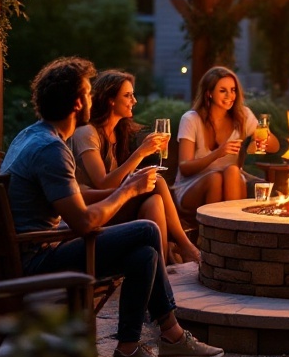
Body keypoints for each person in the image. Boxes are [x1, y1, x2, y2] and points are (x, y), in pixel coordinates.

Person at [0, 57, 224, 357]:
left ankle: (130, 349)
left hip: (33, 248)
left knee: (144, 254)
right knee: (146, 230)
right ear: (79, 102)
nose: (92, 98)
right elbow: (83, 222)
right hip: (37, 259)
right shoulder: (51, 148)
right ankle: (171, 335)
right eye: (89, 92)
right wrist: (126, 191)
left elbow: (71, 199)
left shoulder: (32, 135)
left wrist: (128, 185)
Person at [71, 69, 200, 266]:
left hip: (113, 200)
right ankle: (185, 246)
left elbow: (120, 178)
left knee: (155, 201)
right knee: (156, 180)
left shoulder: (117, 133)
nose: (134, 100)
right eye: (127, 95)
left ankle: (164, 266)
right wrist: (140, 153)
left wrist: (137, 171)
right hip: (94, 208)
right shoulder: (87, 133)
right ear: (110, 100)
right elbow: (102, 183)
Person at [173, 66, 279, 214]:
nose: (230, 95)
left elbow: (275, 147)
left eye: (233, 90)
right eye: (223, 91)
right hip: (192, 186)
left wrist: (263, 136)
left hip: (231, 182)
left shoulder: (243, 116)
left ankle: (233, 229)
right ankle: (216, 231)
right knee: (215, 179)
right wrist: (218, 153)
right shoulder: (191, 119)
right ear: (209, 93)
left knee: (233, 170)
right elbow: (185, 168)